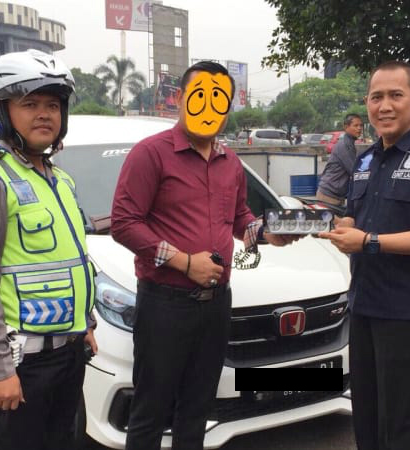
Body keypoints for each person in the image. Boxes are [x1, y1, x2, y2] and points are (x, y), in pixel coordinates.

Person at [111, 60, 297, 450]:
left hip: (215, 306)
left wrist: (266, 235)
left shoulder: (231, 163)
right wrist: (183, 261)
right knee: (151, 411)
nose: (210, 107)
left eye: (220, 100)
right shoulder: (151, 154)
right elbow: (124, 223)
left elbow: (239, 218)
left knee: (196, 409)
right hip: (165, 305)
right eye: (200, 97)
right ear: (179, 99)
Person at [0, 49, 97, 450]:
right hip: (18, 362)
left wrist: (86, 323)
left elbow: (71, 259)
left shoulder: (59, 180)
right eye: (29, 104)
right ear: (2, 110)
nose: (44, 114)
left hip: (67, 355)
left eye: (52, 104)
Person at [318, 61, 410, 450]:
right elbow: (354, 216)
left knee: (403, 426)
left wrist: (368, 241)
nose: (384, 105)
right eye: (376, 97)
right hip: (365, 306)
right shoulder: (365, 160)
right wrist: (333, 227)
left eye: (395, 95)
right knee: (366, 418)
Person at [316, 114, 363, 206]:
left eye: (361, 125)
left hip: (335, 195)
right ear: (346, 127)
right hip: (329, 196)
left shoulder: (349, 144)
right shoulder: (344, 146)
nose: (359, 128)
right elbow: (354, 171)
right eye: (356, 125)